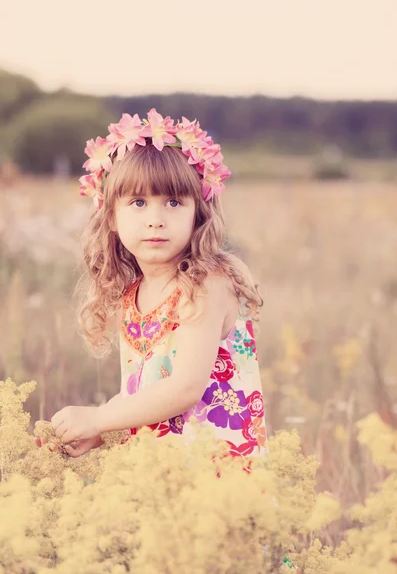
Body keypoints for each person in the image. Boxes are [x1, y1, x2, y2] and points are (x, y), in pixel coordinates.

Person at [34, 109, 268, 467]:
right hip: (158, 477)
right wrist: (100, 430)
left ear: (198, 213)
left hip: (217, 476)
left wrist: (98, 417)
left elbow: (185, 387)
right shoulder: (134, 294)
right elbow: (145, 388)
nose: (155, 218)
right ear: (111, 215)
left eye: (173, 203)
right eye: (138, 203)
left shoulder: (207, 284)